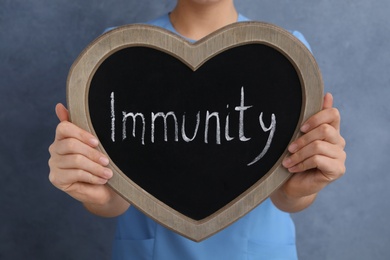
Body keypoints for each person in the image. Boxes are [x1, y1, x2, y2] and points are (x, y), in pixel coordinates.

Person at [48, 0, 346, 259]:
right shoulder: (118, 51)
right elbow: (114, 198)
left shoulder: (286, 53)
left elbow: (288, 193)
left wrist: (303, 184)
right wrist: (91, 187)